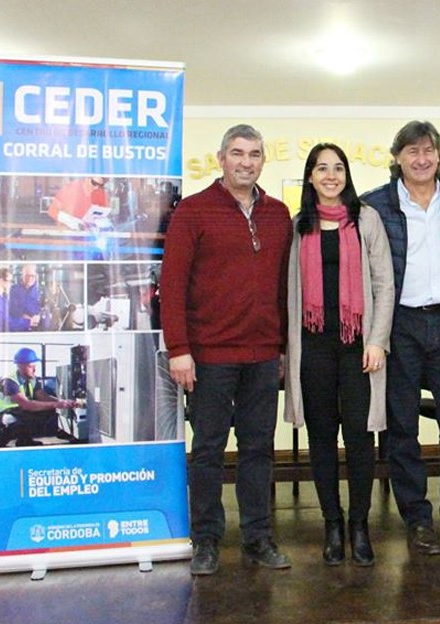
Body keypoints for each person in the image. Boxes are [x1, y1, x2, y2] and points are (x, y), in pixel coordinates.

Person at [161, 124, 293, 576]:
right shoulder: (193, 211)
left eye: (254, 154)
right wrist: (179, 349)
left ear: (262, 161)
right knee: (209, 451)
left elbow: (284, 286)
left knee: (258, 449)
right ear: (221, 158)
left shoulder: (278, 214)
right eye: (237, 153)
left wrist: (283, 347)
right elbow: (172, 285)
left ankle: (258, 538)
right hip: (209, 356)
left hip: (263, 355)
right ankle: (206, 540)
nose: (246, 162)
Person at [360, 121, 440, 555]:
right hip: (399, 326)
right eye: (412, 151)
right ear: (397, 157)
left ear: (439, 155)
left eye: (429, 150)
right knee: (402, 426)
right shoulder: (374, 205)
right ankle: (417, 519)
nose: (421, 159)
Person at [283, 144, 394, 567]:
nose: (331, 175)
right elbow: (288, 291)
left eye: (338, 168)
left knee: (360, 436)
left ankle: (359, 524)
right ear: (310, 177)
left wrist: (377, 340)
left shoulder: (367, 219)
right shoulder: (299, 225)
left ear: (347, 175)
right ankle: (332, 523)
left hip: (358, 347)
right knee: (322, 436)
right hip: (313, 346)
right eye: (322, 168)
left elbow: (384, 284)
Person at [0, 348, 76, 447]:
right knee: (15, 420)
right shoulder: (9, 381)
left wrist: (62, 402)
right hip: (0, 416)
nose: (34, 369)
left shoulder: (31, 379)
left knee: (46, 411)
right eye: (30, 366)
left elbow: (43, 396)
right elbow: (27, 405)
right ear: (20, 365)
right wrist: (56, 404)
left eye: (34, 366)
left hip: (17, 412)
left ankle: (24, 440)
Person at [0, 268, 28, 333]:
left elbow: (8, 318)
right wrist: (28, 322)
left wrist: (23, 318)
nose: (11, 284)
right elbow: (7, 323)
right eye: (10, 281)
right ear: (1, 281)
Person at [9, 264, 46, 331]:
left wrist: (39, 316)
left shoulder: (41, 290)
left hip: (37, 328)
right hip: (20, 328)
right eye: (27, 276)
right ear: (22, 276)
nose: (29, 278)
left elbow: (45, 308)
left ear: (36, 275)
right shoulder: (13, 290)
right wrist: (26, 319)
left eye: (32, 276)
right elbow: (12, 310)